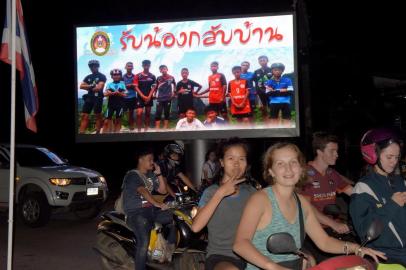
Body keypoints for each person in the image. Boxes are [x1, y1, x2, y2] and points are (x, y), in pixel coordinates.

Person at [233, 142, 386, 270]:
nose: (288, 169)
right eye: (280, 164)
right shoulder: (260, 200)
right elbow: (240, 244)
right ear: (271, 171)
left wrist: (357, 248)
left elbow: (324, 242)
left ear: (301, 168)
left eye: (293, 162)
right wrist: (273, 267)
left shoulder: (302, 202)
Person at [191, 137, 256, 270]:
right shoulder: (211, 192)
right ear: (221, 162)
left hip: (251, 255)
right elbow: (196, 227)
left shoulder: (252, 192)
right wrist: (220, 193)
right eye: (231, 158)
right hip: (221, 257)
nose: (236, 164)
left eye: (241, 159)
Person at [350, 128, 406, 266]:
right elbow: (366, 233)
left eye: (397, 157)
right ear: (373, 154)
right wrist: (392, 205)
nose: (394, 162)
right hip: (387, 258)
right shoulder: (363, 188)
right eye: (389, 157)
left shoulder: (401, 181)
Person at [123, 147, 176, 270]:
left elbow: (162, 190)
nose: (153, 162)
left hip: (150, 211)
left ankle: (166, 250)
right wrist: (156, 203)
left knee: (172, 218)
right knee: (144, 242)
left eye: (153, 159)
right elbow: (143, 191)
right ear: (140, 160)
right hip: (136, 213)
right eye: (150, 159)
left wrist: (159, 174)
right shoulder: (133, 175)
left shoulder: (151, 175)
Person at [299, 132, 353, 234]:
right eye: (332, 151)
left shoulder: (332, 173)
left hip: (332, 227)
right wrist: (333, 224)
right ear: (319, 152)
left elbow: (355, 193)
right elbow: (306, 207)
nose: (336, 155)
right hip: (312, 229)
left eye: (337, 151)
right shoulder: (304, 174)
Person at [79, 59, 106, 134]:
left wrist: (88, 86)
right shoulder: (88, 76)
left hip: (98, 98)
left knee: (97, 115)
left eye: (95, 65)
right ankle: (81, 133)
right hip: (89, 97)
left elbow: (99, 88)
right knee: (84, 115)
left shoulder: (102, 76)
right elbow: (81, 86)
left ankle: (97, 132)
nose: (93, 67)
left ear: (98, 66)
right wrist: (92, 86)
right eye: (91, 66)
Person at [134, 59, 156, 132]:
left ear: (149, 65)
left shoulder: (152, 76)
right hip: (140, 97)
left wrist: (149, 96)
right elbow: (136, 87)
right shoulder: (137, 75)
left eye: (148, 64)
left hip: (149, 97)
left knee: (147, 114)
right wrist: (143, 96)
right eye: (145, 64)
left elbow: (153, 87)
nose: (146, 65)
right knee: (139, 114)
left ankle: (146, 130)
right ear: (142, 65)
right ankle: (139, 131)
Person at [102, 69, 127, 133]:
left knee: (118, 121)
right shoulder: (109, 84)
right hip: (110, 105)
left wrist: (118, 93)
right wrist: (112, 93)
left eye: (118, 75)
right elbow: (104, 94)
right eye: (114, 75)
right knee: (106, 121)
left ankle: (116, 135)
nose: (116, 76)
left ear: (120, 76)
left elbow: (125, 95)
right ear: (112, 76)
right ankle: (102, 137)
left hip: (120, 105)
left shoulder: (122, 84)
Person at [154, 65, 176, 130]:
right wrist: (155, 94)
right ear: (160, 71)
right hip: (160, 98)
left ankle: (165, 127)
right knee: (158, 113)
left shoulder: (171, 77)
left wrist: (174, 92)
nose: (163, 70)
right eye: (161, 69)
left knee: (167, 113)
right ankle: (157, 128)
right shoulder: (158, 78)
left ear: (167, 69)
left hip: (168, 98)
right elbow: (155, 87)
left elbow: (174, 85)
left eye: (164, 69)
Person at [253, 55, 272, 120]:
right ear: (259, 62)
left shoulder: (272, 69)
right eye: (260, 61)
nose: (262, 62)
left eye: (264, 60)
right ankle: (265, 120)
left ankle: (273, 119)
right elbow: (254, 81)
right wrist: (256, 90)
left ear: (267, 61)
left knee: (271, 106)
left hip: (270, 91)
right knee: (263, 107)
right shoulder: (256, 71)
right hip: (260, 92)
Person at [122, 62, 137, 131]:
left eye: (131, 66)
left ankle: (131, 127)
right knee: (122, 112)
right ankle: (122, 125)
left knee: (131, 113)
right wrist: (130, 85)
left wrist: (128, 86)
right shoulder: (122, 77)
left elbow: (136, 86)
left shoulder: (135, 76)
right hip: (124, 97)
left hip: (133, 97)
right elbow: (121, 87)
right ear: (125, 67)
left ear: (133, 68)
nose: (130, 67)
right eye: (128, 66)